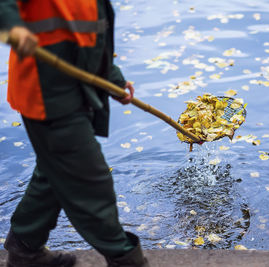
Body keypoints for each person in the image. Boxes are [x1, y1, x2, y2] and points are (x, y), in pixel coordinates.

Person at [0, 1, 149, 266]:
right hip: (46, 96)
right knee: (91, 183)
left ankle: (25, 248)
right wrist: (13, 26)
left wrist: (112, 78)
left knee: (54, 171)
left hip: (75, 90)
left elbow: (87, 32)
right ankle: (125, 259)